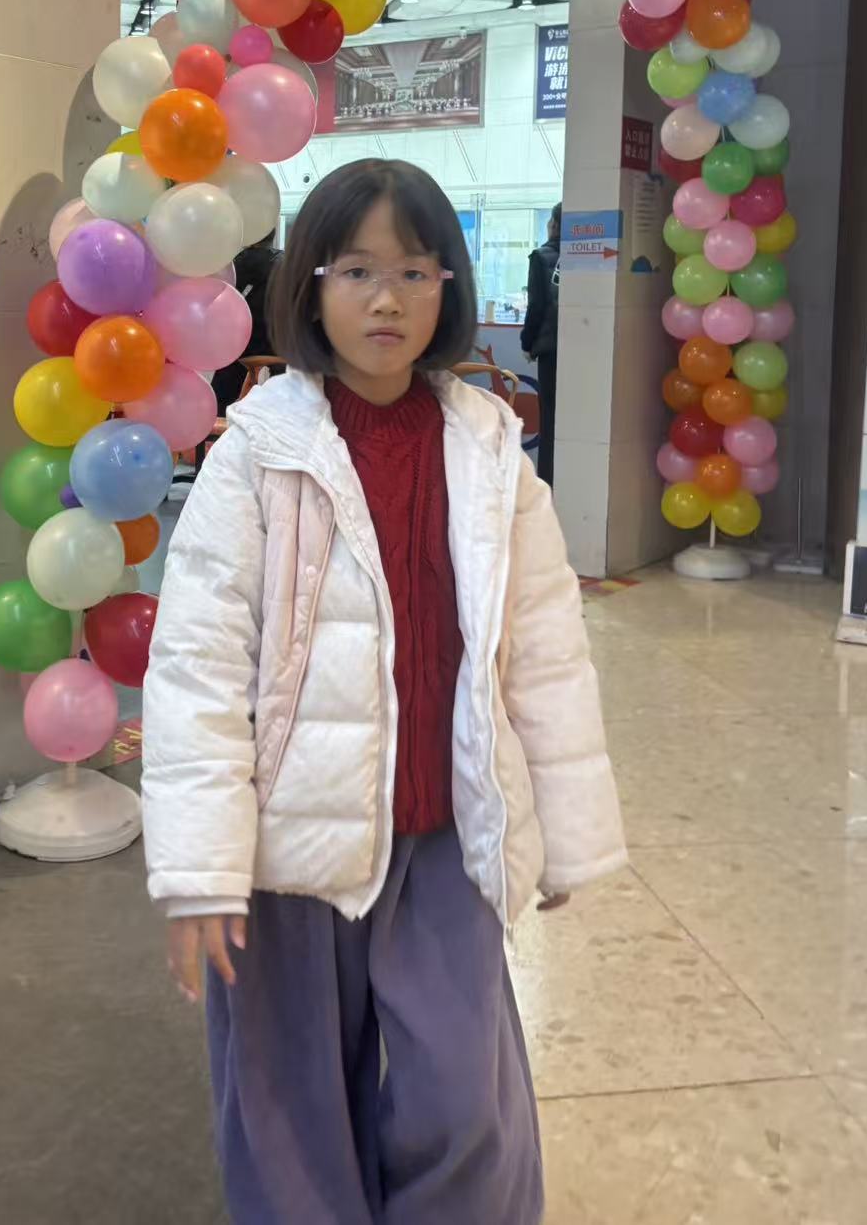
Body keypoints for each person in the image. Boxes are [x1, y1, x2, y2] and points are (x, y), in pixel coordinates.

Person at [142, 159, 624, 1225]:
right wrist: (202, 867)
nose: (386, 299)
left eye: (413, 271)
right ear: (311, 286)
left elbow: (545, 650)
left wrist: (566, 832)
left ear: (449, 284)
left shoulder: (491, 449)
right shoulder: (256, 453)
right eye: (356, 270)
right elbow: (197, 666)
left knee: (464, 1098)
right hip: (289, 845)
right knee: (288, 1108)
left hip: (445, 830)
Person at [210, 228, 281, 416]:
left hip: (240, 347)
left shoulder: (236, 264)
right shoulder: (288, 263)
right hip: (279, 348)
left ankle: (219, 422)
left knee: (220, 401)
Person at [521, 204, 561, 487]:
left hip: (549, 350)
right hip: (580, 350)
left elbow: (536, 306)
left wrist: (527, 342)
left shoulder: (541, 257)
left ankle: (547, 482)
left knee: (549, 420)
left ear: (554, 224)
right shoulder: (586, 256)